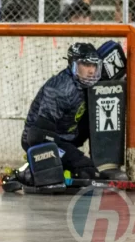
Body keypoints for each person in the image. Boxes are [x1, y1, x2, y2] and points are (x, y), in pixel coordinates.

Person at [18, 43, 103, 183]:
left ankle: (48, 166)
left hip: (67, 136)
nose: (91, 71)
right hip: (42, 140)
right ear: (73, 65)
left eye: (94, 66)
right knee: (86, 170)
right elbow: (37, 135)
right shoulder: (60, 89)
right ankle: (31, 170)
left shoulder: (87, 85)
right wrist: (72, 156)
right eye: (86, 65)